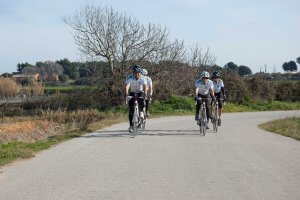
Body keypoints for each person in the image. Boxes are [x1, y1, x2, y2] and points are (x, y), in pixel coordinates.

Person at [125, 65, 147, 133]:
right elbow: (127, 86)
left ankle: (142, 116)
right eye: (135, 73)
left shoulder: (143, 78)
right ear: (133, 73)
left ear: (140, 72)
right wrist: (126, 94)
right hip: (132, 93)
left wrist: (145, 94)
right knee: (131, 110)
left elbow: (145, 86)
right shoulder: (130, 78)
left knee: (141, 107)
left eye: (138, 73)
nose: (137, 74)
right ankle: (131, 125)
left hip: (140, 93)